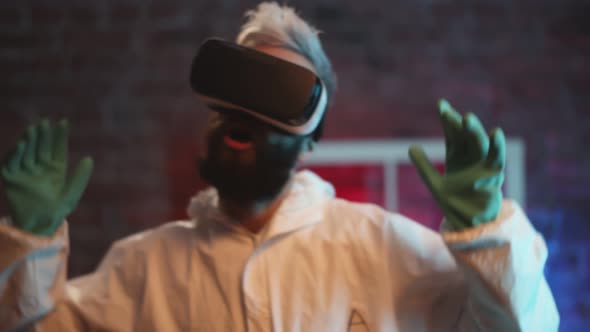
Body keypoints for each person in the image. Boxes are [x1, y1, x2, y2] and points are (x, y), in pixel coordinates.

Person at [0, 2, 559, 331]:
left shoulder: (382, 247)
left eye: (276, 98)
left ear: (309, 136)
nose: (248, 113)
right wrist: (29, 243)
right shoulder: (142, 269)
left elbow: (525, 325)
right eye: (238, 91)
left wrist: (488, 235)